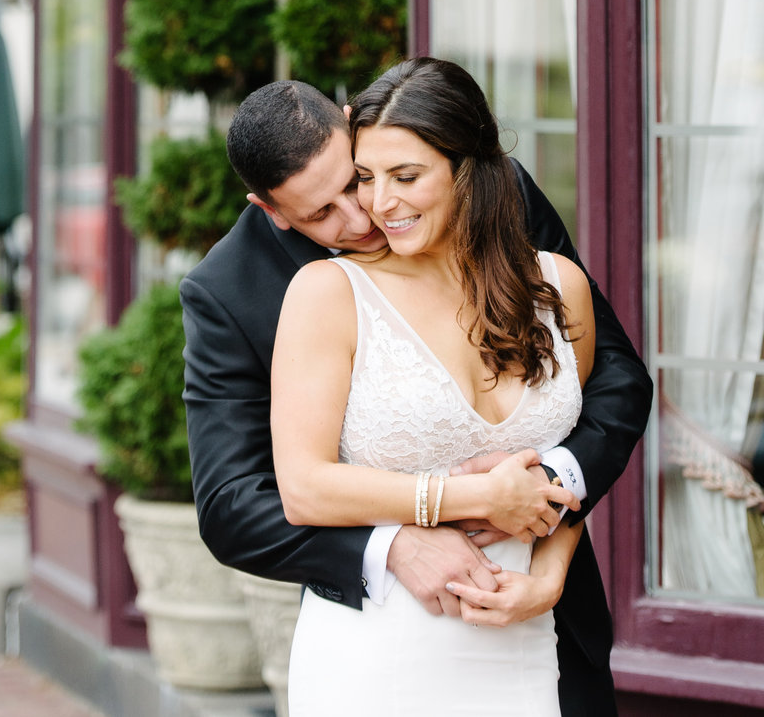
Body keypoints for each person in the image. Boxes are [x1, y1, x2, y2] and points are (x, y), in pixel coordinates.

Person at [180, 67, 653, 717]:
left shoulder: (485, 189)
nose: (366, 214)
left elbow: (610, 380)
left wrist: (551, 493)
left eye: (358, 179)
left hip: (545, 620)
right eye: (322, 212)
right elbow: (235, 504)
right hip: (387, 633)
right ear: (272, 211)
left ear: (353, 127)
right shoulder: (232, 292)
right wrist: (396, 541)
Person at [273, 56, 597, 715]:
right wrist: (475, 495)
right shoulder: (328, 293)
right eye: (366, 177)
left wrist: (550, 578)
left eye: (406, 175)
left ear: (466, 170)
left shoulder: (561, 286)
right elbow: (304, 487)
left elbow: (569, 468)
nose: (378, 203)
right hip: (380, 649)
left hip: (522, 641)